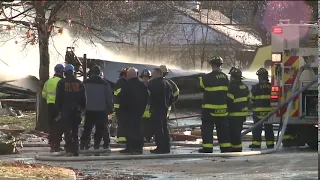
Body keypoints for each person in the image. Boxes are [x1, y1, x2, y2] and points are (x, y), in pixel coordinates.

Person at [198, 56, 231, 153]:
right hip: (223, 109)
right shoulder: (226, 77)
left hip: (209, 109)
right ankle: (225, 148)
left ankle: (207, 148)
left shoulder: (206, 77)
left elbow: (201, 87)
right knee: (223, 129)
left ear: (211, 64)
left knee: (207, 128)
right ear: (221, 65)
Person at [80, 65, 113, 150]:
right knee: (99, 130)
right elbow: (109, 98)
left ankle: (83, 145)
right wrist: (110, 109)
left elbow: (81, 96)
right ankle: (96, 146)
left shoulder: (85, 83)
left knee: (87, 129)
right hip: (101, 111)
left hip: (89, 110)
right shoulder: (105, 83)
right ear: (99, 73)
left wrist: (82, 108)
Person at [55, 64, 86, 156]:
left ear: (65, 72)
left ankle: (69, 149)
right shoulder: (79, 83)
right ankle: (76, 149)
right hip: (76, 111)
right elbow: (83, 99)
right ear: (73, 72)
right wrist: (82, 109)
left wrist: (59, 110)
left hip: (65, 111)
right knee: (75, 131)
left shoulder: (61, 83)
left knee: (67, 131)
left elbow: (58, 99)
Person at [118, 67, 149, 154]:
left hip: (128, 112)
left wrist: (121, 111)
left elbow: (122, 98)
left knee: (129, 131)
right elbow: (147, 97)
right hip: (139, 111)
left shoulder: (126, 85)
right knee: (138, 130)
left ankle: (130, 147)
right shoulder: (142, 85)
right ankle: (137, 148)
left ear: (128, 75)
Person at [147, 68, 173, 154]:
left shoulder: (152, 84)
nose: (152, 75)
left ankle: (160, 148)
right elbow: (172, 97)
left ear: (158, 73)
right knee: (164, 128)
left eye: (153, 73)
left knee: (158, 129)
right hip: (164, 109)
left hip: (156, 108)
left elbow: (147, 95)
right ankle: (166, 147)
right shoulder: (168, 83)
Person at [249, 68, 274, 149]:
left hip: (258, 112)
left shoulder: (256, 87)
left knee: (257, 129)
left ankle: (256, 144)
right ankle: (270, 144)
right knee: (269, 128)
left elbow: (251, 99)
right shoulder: (271, 87)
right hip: (269, 112)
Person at [42, 64, 64, 152]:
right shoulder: (62, 82)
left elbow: (43, 95)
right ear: (62, 72)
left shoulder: (48, 81)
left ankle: (51, 144)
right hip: (58, 106)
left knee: (51, 126)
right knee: (58, 126)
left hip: (50, 106)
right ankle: (57, 145)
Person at [227, 67, 250, 152]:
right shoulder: (244, 86)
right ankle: (237, 147)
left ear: (232, 77)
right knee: (238, 131)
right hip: (242, 113)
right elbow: (248, 99)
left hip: (234, 113)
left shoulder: (232, 87)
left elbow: (229, 101)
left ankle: (236, 148)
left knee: (233, 132)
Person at [114, 68, 128, 144]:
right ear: (124, 75)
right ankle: (122, 138)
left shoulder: (119, 83)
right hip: (122, 106)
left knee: (121, 122)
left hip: (119, 106)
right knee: (123, 122)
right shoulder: (123, 84)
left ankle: (121, 138)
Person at [140, 69, 153, 142]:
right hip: (140, 112)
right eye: (144, 77)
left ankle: (148, 138)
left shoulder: (151, 86)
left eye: (147, 77)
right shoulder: (139, 86)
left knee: (148, 127)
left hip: (149, 112)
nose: (145, 79)